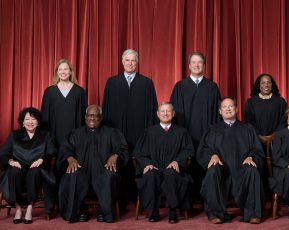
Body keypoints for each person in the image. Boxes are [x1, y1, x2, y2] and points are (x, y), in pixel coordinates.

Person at [102, 49, 158, 207]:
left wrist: (150, 135)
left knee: (138, 161)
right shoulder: (112, 83)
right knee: (118, 161)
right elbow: (105, 109)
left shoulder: (147, 83)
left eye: (133, 60)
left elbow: (153, 109)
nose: (130, 63)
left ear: (137, 62)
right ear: (122, 62)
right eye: (127, 60)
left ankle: (139, 198)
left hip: (140, 131)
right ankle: (119, 198)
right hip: (117, 131)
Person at [197, 97, 265, 224]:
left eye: (231, 106)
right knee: (212, 172)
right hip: (222, 170)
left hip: (242, 169)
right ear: (220, 111)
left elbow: (257, 149)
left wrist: (251, 157)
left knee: (252, 170)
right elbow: (203, 149)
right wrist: (212, 155)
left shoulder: (247, 128)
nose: (228, 109)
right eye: (225, 107)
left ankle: (253, 214)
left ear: (237, 109)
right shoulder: (213, 129)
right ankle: (216, 214)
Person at [58, 105, 128, 223]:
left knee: (110, 176)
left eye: (96, 116)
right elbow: (64, 149)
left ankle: (104, 211)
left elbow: (122, 149)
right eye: (90, 115)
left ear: (100, 118)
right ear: (85, 117)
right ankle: (80, 209)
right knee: (71, 175)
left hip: (103, 171)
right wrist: (70, 158)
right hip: (81, 170)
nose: (92, 118)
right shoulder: (75, 133)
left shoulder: (111, 132)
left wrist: (115, 156)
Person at [170, 52, 221, 201]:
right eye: (194, 62)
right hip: (187, 135)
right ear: (189, 65)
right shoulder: (180, 87)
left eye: (200, 62)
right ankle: (187, 200)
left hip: (207, 136)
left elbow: (218, 115)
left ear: (204, 65)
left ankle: (208, 200)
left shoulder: (212, 87)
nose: (197, 65)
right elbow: (174, 115)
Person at [133, 102, 194, 223]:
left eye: (168, 111)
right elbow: (139, 153)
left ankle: (172, 210)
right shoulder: (149, 132)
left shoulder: (182, 132)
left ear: (173, 113)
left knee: (171, 174)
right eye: (163, 111)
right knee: (150, 175)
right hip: (154, 167)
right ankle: (153, 211)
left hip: (173, 169)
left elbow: (188, 150)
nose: (166, 114)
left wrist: (177, 161)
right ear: (157, 114)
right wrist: (147, 164)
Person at [0, 107, 57, 224]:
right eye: (27, 119)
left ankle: (30, 208)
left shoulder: (45, 135)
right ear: (22, 122)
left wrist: (42, 160)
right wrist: (11, 162)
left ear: (38, 121)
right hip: (18, 167)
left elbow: (52, 151)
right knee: (14, 172)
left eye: (33, 119)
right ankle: (18, 209)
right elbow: (3, 153)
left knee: (35, 172)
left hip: (37, 167)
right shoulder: (14, 135)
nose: (30, 122)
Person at [41, 59, 87, 146]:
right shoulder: (49, 91)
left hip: (74, 137)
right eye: (60, 69)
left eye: (66, 69)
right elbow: (45, 116)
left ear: (70, 72)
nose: (63, 72)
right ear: (57, 72)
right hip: (54, 136)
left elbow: (83, 117)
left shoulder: (79, 91)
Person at [244, 73, 287, 144]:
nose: (266, 85)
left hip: (277, 140)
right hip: (256, 140)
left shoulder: (280, 101)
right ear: (259, 85)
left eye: (268, 82)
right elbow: (249, 121)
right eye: (263, 83)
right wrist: (259, 136)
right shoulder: (251, 102)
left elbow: (284, 120)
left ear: (272, 85)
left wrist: (274, 135)